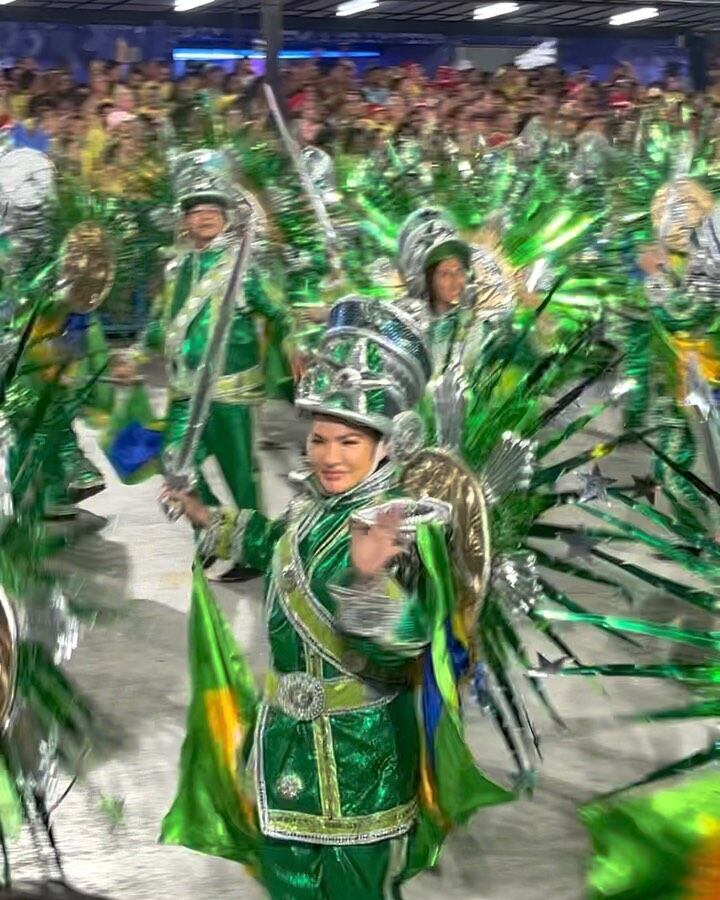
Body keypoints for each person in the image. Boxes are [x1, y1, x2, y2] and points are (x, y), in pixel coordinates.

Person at [160, 296, 512, 899]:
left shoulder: (402, 528)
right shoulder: (306, 514)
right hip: (285, 747)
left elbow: (409, 636)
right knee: (285, 880)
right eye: (319, 440)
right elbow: (265, 537)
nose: (328, 457)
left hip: (362, 754)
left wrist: (370, 579)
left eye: (348, 442)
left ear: (383, 447)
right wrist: (200, 514)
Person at [121, 150, 289, 580]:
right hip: (184, 391)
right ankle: (214, 534)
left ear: (226, 216)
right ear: (184, 221)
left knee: (240, 477)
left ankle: (254, 551)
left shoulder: (242, 267)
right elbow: (164, 326)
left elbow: (279, 311)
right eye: (196, 212)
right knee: (175, 465)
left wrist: (294, 343)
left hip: (229, 390)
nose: (205, 217)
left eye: (213, 210)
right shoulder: (178, 269)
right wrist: (137, 354)